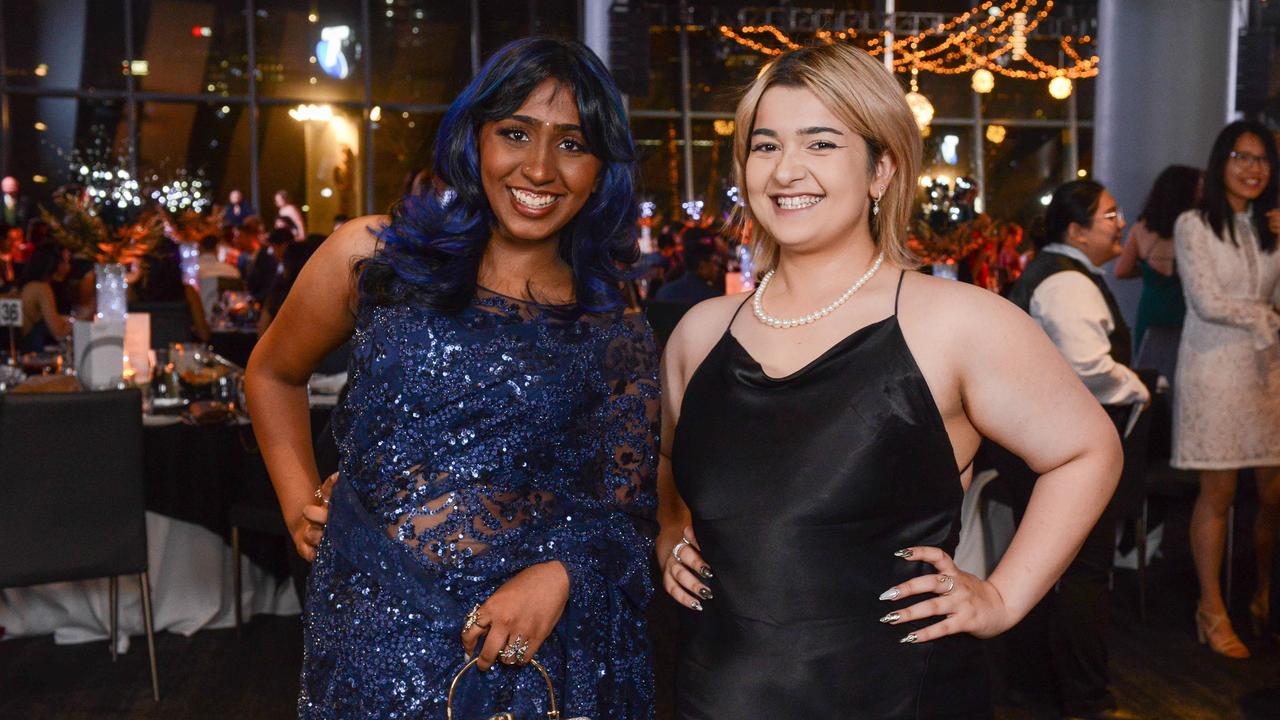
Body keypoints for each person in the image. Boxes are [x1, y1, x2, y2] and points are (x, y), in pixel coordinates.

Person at [656, 42, 1121, 718]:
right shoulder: (701, 333)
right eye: (765, 146)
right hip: (714, 692)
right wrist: (672, 537)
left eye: (821, 144)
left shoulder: (955, 323)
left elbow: (1088, 450)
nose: (787, 170)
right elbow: (673, 466)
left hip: (898, 696)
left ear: (882, 168)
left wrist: (1001, 595)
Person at [245, 38, 659, 718]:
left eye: (572, 144)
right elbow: (272, 373)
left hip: (528, 643)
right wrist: (296, 502)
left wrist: (561, 575)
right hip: (375, 626)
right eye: (516, 133)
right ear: (475, 138)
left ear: (600, 168)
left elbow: (630, 512)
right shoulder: (373, 257)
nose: (539, 168)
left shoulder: (609, 315)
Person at [1001, 180, 1149, 720]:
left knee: (1043, 567)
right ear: (1076, 230)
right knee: (1083, 572)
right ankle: (1086, 699)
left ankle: (1033, 686)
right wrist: (1138, 387)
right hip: (1063, 451)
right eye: (1110, 215)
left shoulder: (1053, 271)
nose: (1120, 224)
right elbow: (1089, 368)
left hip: (1036, 447)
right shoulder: (1067, 282)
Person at [1174, 120, 1280, 659]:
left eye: (1262, 159)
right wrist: (1267, 316)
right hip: (1213, 373)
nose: (1253, 168)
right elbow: (1207, 302)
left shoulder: (1272, 227)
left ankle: (1264, 595)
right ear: (1221, 164)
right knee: (1217, 495)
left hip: (1267, 374)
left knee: (1272, 496)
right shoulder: (1194, 225)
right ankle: (1211, 608)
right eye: (1242, 156)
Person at [1114, 165, 1201, 378]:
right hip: (1187, 312)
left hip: (1152, 311)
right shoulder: (1197, 229)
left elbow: (1121, 271)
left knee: (1152, 374)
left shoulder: (1141, 229)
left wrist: (1147, 269)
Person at [15, 243, 72, 352]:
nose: (68, 267)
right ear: (52, 263)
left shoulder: (29, 285)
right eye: (64, 262)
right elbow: (58, 332)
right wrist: (81, 321)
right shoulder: (41, 288)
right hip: (26, 354)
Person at [653, 227, 722, 304]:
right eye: (714, 262)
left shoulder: (663, 292)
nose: (717, 269)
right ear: (702, 265)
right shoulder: (713, 298)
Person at [195, 233, 241, 323]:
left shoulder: (193, 272)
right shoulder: (233, 271)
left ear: (200, 248)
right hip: (230, 323)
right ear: (217, 250)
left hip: (200, 323)